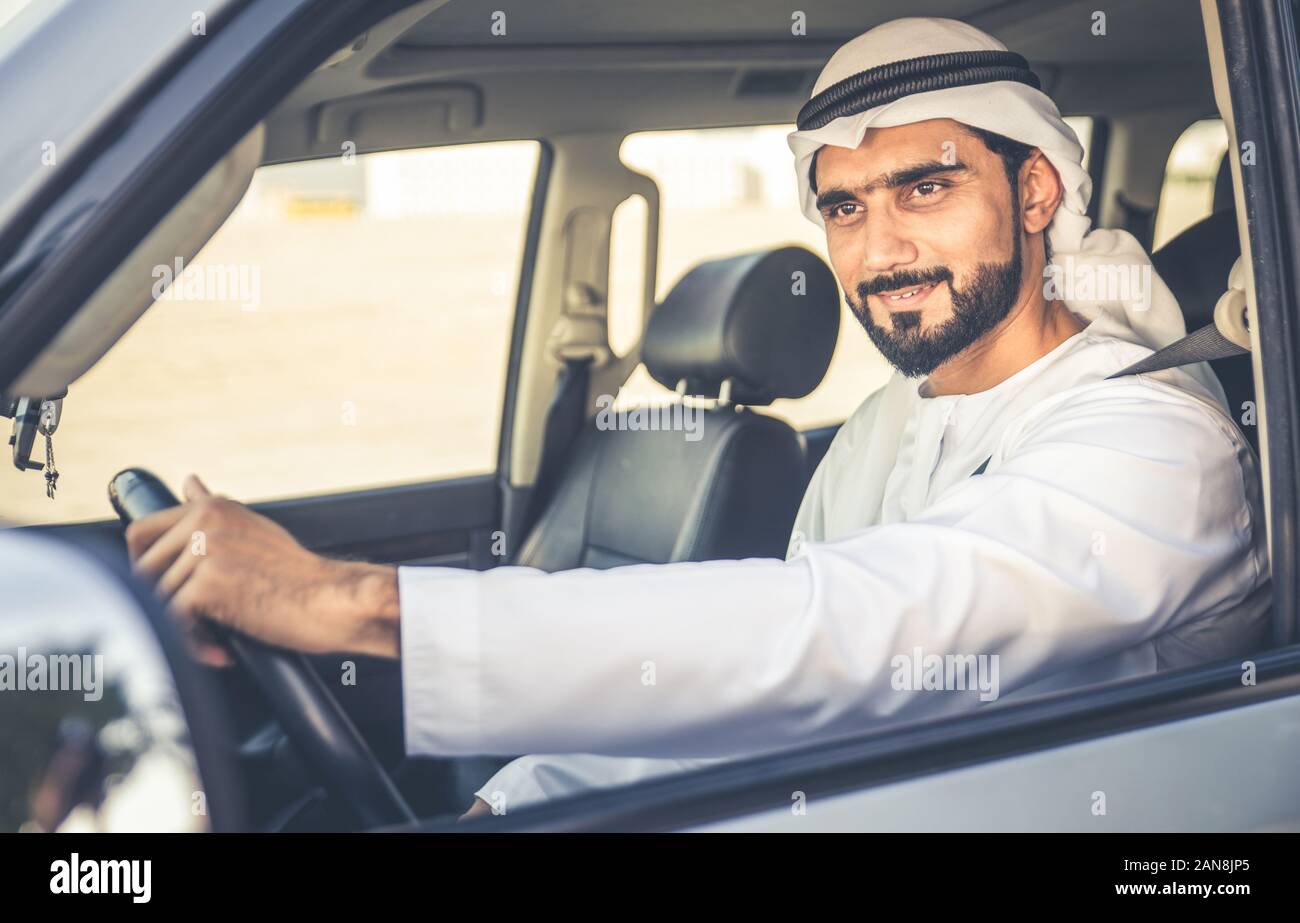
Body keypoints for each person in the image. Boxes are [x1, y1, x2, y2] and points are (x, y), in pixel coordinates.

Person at [125, 17, 1271, 819]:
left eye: (927, 186)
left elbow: (843, 633)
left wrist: (355, 602)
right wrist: (513, 796)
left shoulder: (1151, 442)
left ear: (1035, 193)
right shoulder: (884, 422)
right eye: (843, 206)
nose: (879, 250)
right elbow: (762, 694)